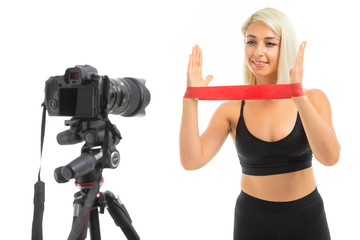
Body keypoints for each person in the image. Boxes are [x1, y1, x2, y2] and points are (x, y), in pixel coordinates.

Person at [179, 7, 340, 240]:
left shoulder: (313, 99)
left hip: (305, 217)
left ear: (286, 47)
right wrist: (191, 98)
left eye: (270, 43)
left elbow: (330, 157)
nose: (258, 52)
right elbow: (191, 161)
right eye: (251, 42)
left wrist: (298, 97)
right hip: (252, 219)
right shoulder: (231, 110)